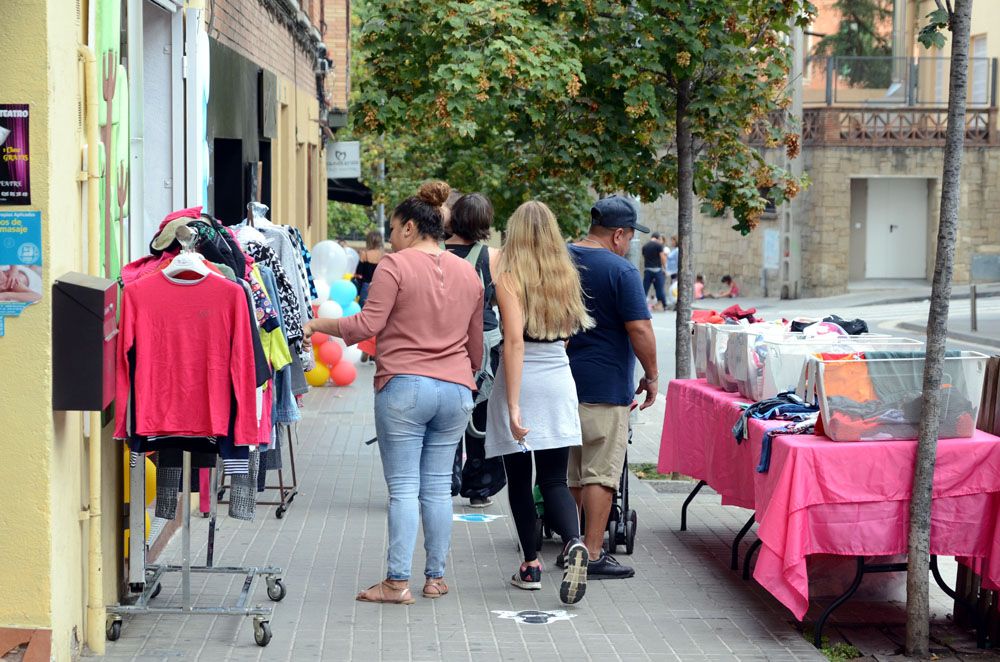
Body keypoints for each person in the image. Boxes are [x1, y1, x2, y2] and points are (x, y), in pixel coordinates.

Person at [303, 181, 484, 605]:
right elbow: (476, 344)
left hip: (404, 386)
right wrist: (463, 374)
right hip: (456, 387)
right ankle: (436, 578)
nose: (390, 238)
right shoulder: (468, 272)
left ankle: (396, 582)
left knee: (403, 488)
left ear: (407, 227)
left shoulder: (394, 266)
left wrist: (317, 325)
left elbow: (366, 325)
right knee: (438, 488)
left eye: (392, 229)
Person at [485, 200, 593, 605]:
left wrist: (512, 405)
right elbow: (567, 334)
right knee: (553, 479)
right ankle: (573, 542)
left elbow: (513, 341)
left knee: (519, 480)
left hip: (523, 378)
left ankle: (530, 565)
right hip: (559, 377)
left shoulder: (509, 278)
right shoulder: (566, 276)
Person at [566, 195, 658, 580]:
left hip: (561, 382)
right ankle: (592, 551)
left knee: (571, 472)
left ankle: (571, 545)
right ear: (618, 234)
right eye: (629, 237)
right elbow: (639, 328)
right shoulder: (621, 272)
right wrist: (652, 376)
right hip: (605, 387)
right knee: (601, 472)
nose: (629, 244)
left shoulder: (560, 260)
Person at [444, 193, 507, 508]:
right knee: (481, 415)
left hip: (443, 339)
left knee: (446, 411)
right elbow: (499, 302)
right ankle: (479, 487)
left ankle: (444, 479)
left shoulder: (434, 253)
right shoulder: (493, 256)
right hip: (485, 340)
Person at [354, 230, 385, 308]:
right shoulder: (384, 255)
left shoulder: (364, 254)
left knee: (362, 309)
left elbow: (359, 273)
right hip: (380, 286)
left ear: (368, 241)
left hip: (366, 286)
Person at [640, 233, 667, 311]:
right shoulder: (658, 246)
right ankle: (664, 305)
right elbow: (662, 258)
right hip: (657, 270)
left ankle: (640, 305)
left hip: (648, 269)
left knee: (645, 288)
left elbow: (644, 256)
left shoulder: (645, 246)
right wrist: (665, 268)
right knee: (659, 289)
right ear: (657, 238)